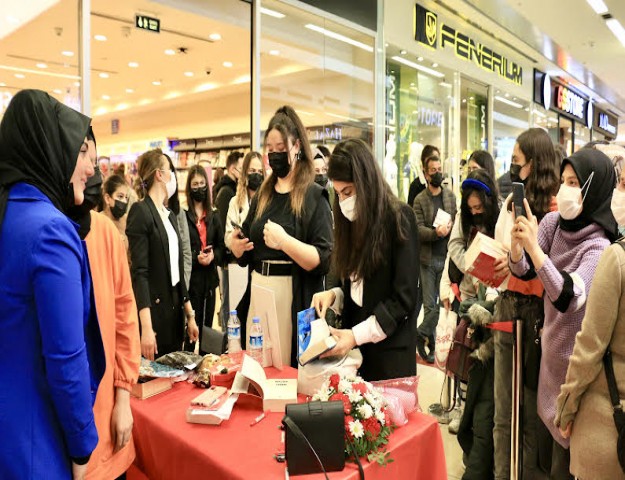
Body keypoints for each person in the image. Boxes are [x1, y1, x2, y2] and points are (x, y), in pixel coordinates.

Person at [0, 89, 105, 479]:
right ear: (49, 147)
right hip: (33, 443)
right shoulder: (51, 232)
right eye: (80, 152)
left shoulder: (10, 215)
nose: (91, 169)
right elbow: (65, 359)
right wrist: (82, 448)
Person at [509, 148, 615, 479]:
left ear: (593, 190)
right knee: (539, 461)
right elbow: (524, 269)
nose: (564, 189)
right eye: (564, 180)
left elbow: (569, 296)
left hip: (575, 381)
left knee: (562, 468)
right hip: (547, 364)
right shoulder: (554, 223)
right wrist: (518, 247)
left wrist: (536, 252)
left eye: (574, 182)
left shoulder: (599, 247)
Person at [230, 105, 333, 367]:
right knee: (258, 368)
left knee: (286, 372)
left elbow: (323, 259)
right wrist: (237, 247)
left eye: (281, 148)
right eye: (270, 150)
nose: (275, 155)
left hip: (291, 294)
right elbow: (247, 242)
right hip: (258, 291)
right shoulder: (264, 194)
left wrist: (284, 241)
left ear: (296, 146)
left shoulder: (313, 196)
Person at [311, 138, 419, 381]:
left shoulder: (399, 218)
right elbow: (356, 283)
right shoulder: (349, 222)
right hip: (355, 353)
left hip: (389, 355)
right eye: (337, 194)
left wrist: (355, 336)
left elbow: (403, 299)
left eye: (348, 192)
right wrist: (336, 295)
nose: (344, 201)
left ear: (366, 183)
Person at [68, 129, 141, 480]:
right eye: (83, 155)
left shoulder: (105, 233)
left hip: (107, 423)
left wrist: (124, 397)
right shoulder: (43, 233)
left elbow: (125, 316)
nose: (91, 170)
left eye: (95, 160)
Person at [491, 128, 560, 480]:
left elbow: (554, 273)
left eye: (517, 162)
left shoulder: (556, 209)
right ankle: (503, 474)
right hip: (506, 308)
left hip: (539, 317)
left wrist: (522, 262)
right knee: (504, 409)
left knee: (533, 411)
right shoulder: (510, 203)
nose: (513, 169)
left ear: (532, 164)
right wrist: (503, 260)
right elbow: (501, 248)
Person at [555, 173, 625, 480]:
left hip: (609, 426)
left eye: (622, 184)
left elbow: (589, 346)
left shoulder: (616, 258)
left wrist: (565, 408)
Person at [126, 148, 199, 359]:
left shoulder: (170, 216)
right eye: (170, 171)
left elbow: (177, 271)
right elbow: (140, 273)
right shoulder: (141, 212)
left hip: (175, 313)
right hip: (155, 315)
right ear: (159, 174)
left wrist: (190, 315)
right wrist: (146, 327)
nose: (173, 177)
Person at [414, 155, 457, 363]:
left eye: (439, 168)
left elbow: (456, 220)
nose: (437, 173)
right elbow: (417, 229)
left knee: (442, 304)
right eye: (433, 170)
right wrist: (435, 233)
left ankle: (421, 332)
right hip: (428, 258)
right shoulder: (420, 199)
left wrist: (449, 229)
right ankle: (429, 345)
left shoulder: (449, 196)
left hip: (447, 256)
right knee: (430, 305)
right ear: (425, 173)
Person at [224, 151, 265, 345]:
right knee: (240, 311)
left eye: (259, 171)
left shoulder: (268, 200)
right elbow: (227, 235)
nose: (256, 175)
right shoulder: (235, 202)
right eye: (252, 171)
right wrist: (233, 241)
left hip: (259, 264)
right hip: (239, 265)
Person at [184, 164, 225, 353]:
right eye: (195, 184)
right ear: (189, 187)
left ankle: (206, 368)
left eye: (202, 183)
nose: (199, 187)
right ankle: (186, 365)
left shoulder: (214, 215)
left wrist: (212, 256)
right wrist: (195, 257)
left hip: (209, 282)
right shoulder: (183, 216)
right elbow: (181, 249)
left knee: (207, 331)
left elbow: (221, 247)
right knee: (190, 330)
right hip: (191, 282)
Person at [215, 151, 244, 326]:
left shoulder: (229, 189)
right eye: (241, 169)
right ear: (233, 169)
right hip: (227, 256)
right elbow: (225, 225)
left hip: (230, 256)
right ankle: (226, 332)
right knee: (227, 297)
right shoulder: (226, 193)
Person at [164, 154, 192, 290]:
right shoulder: (144, 212)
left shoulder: (178, 212)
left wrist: (183, 289)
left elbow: (186, 252)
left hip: (178, 288)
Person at [101, 174, 132, 253]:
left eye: (126, 197)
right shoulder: (99, 221)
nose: (124, 201)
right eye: (120, 196)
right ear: (107, 198)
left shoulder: (128, 220)